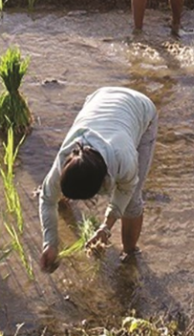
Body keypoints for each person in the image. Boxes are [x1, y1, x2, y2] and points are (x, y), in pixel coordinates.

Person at [38, 87, 158, 273]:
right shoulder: (66, 156)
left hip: (140, 108)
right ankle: (65, 204)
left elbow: (125, 191)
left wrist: (106, 228)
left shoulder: (124, 158)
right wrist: (50, 243)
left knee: (132, 202)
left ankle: (129, 255)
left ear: (103, 184)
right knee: (56, 190)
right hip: (100, 97)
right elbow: (46, 199)